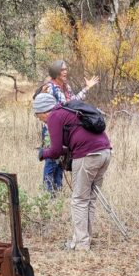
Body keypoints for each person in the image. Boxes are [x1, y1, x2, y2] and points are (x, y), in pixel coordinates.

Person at [34, 92, 112, 251]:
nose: (39, 119)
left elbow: (55, 151)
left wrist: (43, 153)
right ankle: (86, 238)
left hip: (88, 156)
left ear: (43, 111)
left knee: (79, 200)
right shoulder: (67, 111)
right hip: (105, 152)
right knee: (89, 199)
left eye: (37, 115)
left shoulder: (54, 117)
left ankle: (81, 244)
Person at [38, 60, 99, 192]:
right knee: (51, 159)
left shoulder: (66, 87)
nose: (65, 72)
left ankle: (57, 191)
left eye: (66, 69)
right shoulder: (50, 87)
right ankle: (48, 194)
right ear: (56, 72)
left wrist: (87, 88)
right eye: (62, 69)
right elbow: (40, 105)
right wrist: (41, 93)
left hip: (65, 130)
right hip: (51, 129)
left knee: (62, 159)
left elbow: (73, 103)